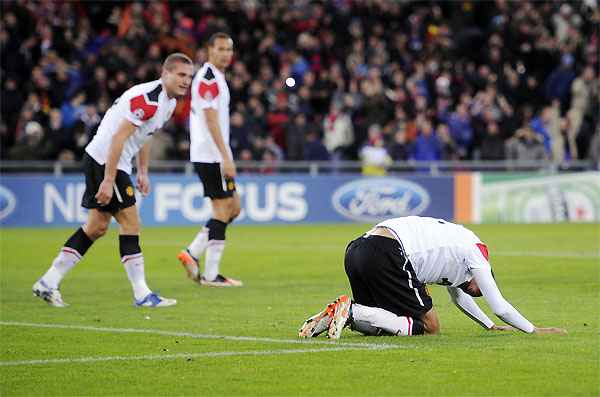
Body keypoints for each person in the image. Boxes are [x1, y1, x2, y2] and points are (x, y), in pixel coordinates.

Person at [32, 53, 194, 307]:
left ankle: (48, 281)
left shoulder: (168, 103)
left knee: (96, 227)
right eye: (181, 75)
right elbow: (118, 138)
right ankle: (142, 294)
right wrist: (108, 180)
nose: (186, 81)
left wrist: (143, 171)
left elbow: (145, 135)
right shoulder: (149, 99)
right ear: (165, 73)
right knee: (131, 223)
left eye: (189, 77)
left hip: (110, 162)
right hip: (107, 161)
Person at [299, 216, 567, 339]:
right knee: (429, 326)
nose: (479, 292)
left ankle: (337, 315)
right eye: (481, 287)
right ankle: (352, 313)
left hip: (358, 249)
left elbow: (459, 296)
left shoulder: (459, 255)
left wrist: (488, 326)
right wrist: (534, 330)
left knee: (384, 323)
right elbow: (500, 306)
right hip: (388, 252)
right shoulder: (476, 256)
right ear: (483, 275)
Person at [177, 32, 243, 287]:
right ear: (209, 50)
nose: (226, 54)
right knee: (223, 210)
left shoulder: (216, 77)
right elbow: (210, 118)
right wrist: (226, 156)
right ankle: (211, 274)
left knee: (233, 208)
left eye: (229, 49)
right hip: (210, 155)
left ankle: (192, 252)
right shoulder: (207, 79)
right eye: (221, 49)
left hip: (214, 154)